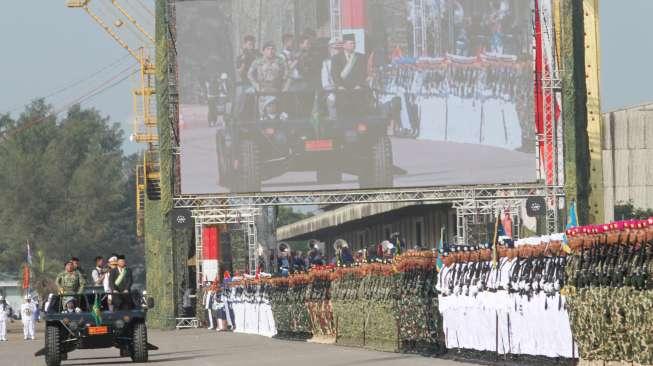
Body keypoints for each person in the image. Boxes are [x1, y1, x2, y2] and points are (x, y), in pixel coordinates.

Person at [235, 35, 261, 117]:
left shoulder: (258, 55)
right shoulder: (240, 57)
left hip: (259, 82)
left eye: (253, 45)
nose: (251, 47)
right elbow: (239, 72)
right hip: (246, 83)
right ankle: (240, 117)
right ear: (245, 45)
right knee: (241, 99)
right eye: (249, 44)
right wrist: (244, 61)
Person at [321, 38, 342, 119]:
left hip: (346, 93)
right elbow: (325, 84)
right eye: (336, 48)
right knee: (332, 100)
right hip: (332, 93)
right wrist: (337, 87)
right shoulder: (326, 63)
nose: (338, 51)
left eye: (340, 48)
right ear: (330, 49)